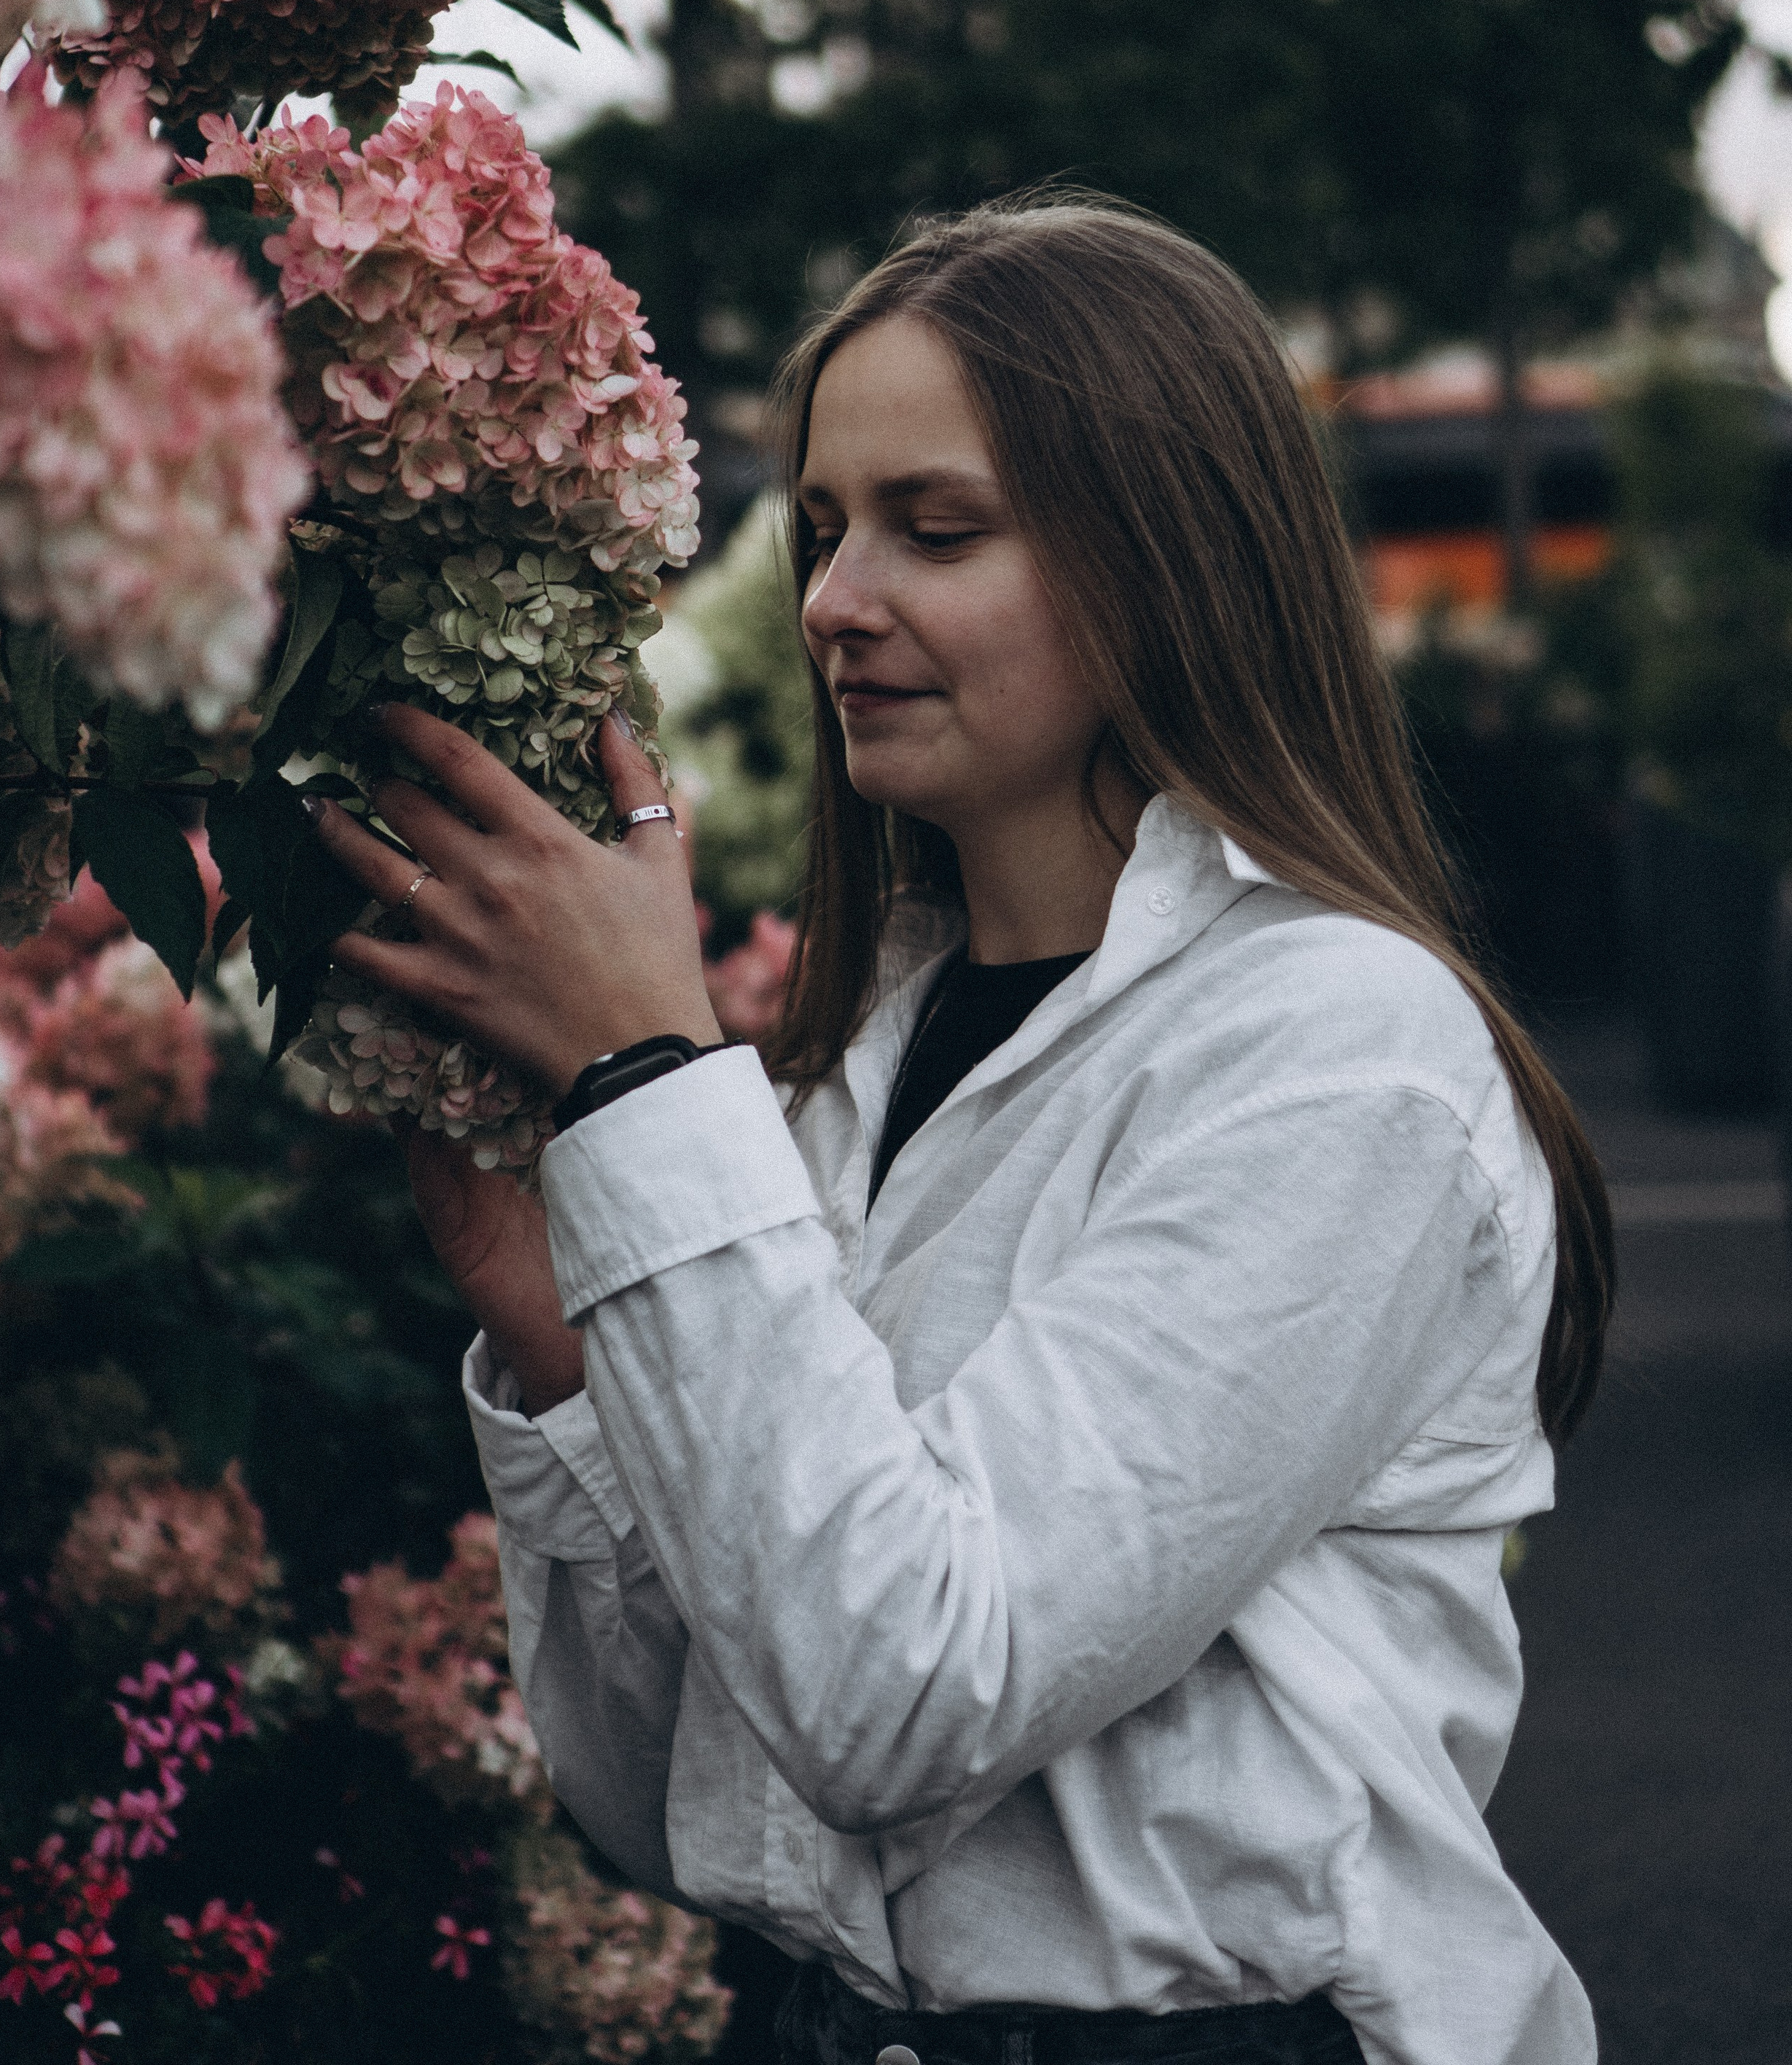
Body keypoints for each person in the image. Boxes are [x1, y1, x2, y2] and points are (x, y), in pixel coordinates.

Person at [310, 197, 1612, 2065]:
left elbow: (902, 1691)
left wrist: (646, 1084)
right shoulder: (867, 1060)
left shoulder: (1338, 1054)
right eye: (825, 527)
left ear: (1169, 558)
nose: (832, 599)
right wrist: (560, 1346)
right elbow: (670, 1797)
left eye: (937, 529)